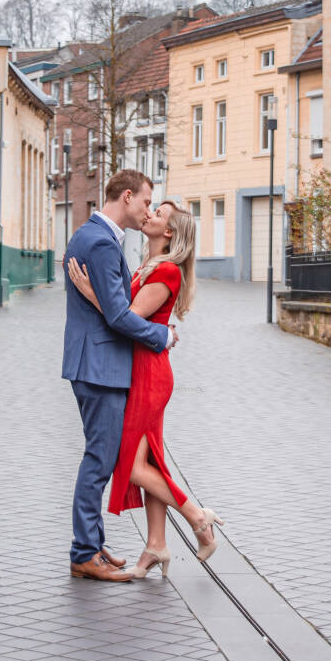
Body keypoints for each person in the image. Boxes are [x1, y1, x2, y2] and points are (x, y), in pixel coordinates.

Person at [68, 200, 223, 579]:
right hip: (139, 369)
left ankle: (197, 516)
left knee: (132, 465)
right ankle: (156, 545)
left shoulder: (167, 270)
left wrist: (92, 295)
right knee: (150, 460)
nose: (150, 214)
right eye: (152, 207)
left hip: (149, 375)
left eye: (160, 214)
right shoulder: (150, 266)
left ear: (168, 233)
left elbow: (126, 319)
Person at [62, 169, 177, 582]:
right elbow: (118, 315)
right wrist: (162, 335)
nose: (148, 210)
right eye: (147, 202)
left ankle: (92, 541)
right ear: (127, 196)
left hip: (94, 364)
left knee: (101, 455)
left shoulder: (94, 236)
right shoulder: (102, 243)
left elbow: (110, 305)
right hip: (101, 367)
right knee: (100, 459)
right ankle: (84, 553)